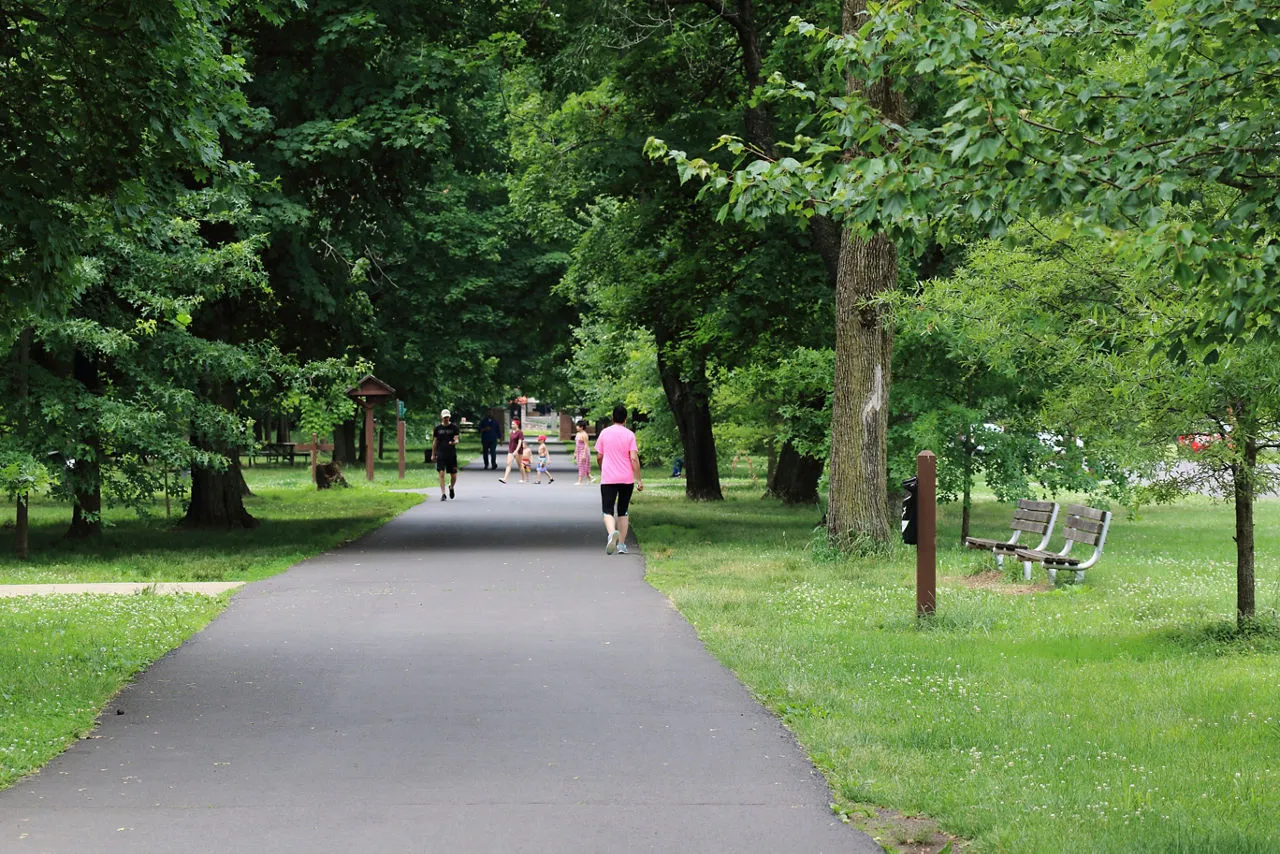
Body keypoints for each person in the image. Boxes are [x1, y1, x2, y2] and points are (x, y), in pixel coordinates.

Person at [595, 404, 643, 554]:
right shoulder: (630, 435)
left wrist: (603, 467)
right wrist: (639, 480)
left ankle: (611, 534)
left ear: (612, 417)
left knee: (607, 511)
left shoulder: (604, 433)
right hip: (626, 479)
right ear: (626, 419)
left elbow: (599, 456)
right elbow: (634, 458)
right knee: (623, 511)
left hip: (609, 478)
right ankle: (621, 545)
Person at [432, 409, 461, 501]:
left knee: (453, 475)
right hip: (441, 453)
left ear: (449, 417)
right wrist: (433, 454)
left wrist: (454, 442)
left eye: (447, 417)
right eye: (444, 417)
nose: (446, 419)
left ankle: (451, 487)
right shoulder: (437, 428)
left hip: (451, 454)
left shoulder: (454, 427)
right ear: (441, 417)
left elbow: (456, 439)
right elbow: (435, 442)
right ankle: (443, 494)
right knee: (441, 473)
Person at [498, 418, 524, 484]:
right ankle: (505, 479)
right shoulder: (511, 432)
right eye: (511, 424)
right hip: (511, 450)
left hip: (518, 451)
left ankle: (523, 479)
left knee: (520, 465)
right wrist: (510, 449)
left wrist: (516, 450)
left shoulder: (520, 433)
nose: (512, 425)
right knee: (508, 464)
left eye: (513, 424)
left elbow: (520, 442)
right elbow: (511, 442)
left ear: (517, 425)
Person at [574, 419, 592, 485]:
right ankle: (590, 478)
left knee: (582, 465)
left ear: (581, 427)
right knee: (580, 465)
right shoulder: (578, 434)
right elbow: (576, 444)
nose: (576, 427)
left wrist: (584, 454)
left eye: (577, 426)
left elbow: (586, 444)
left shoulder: (584, 434)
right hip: (579, 451)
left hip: (583, 451)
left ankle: (579, 481)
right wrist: (575, 452)